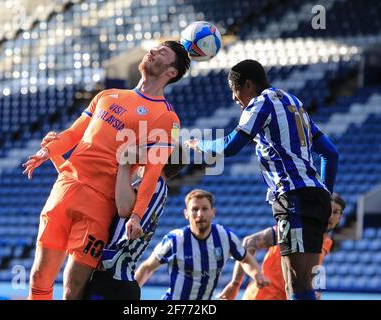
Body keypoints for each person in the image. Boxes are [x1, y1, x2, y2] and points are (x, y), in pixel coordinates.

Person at [22, 41, 191, 300]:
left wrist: (136, 215)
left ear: (171, 72)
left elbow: (154, 171)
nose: (152, 52)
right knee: (38, 276)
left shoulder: (167, 118)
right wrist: (49, 150)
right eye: (154, 48)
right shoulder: (107, 95)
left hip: (101, 202)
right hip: (65, 188)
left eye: (162, 53)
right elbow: (74, 134)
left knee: (73, 287)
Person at [185, 59, 339, 300]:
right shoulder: (294, 103)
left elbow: (231, 145)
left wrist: (200, 144)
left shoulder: (260, 103)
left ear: (247, 85)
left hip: (293, 199)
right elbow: (330, 153)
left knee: (295, 286)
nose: (234, 99)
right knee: (304, 284)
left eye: (234, 91)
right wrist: (327, 197)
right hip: (316, 197)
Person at [42, 132, 188, 300]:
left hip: (112, 280)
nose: (143, 152)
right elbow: (82, 189)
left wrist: (125, 164)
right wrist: (55, 155)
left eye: (149, 149)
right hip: (120, 280)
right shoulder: (155, 188)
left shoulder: (151, 185)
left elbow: (123, 207)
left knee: (71, 291)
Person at [135, 189, 270, 300]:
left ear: (213, 212)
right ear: (186, 214)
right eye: (194, 209)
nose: (200, 214)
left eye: (205, 209)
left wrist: (257, 274)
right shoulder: (175, 240)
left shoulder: (225, 237)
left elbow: (245, 258)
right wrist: (132, 294)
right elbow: (147, 267)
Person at [218, 193, 346, 300]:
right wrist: (235, 284)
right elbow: (249, 242)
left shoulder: (327, 242)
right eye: (328, 210)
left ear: (340, 218)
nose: (331, 216)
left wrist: (311, 290)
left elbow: (307, 268)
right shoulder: (294, 228)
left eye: (336, 212)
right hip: (263, 295)